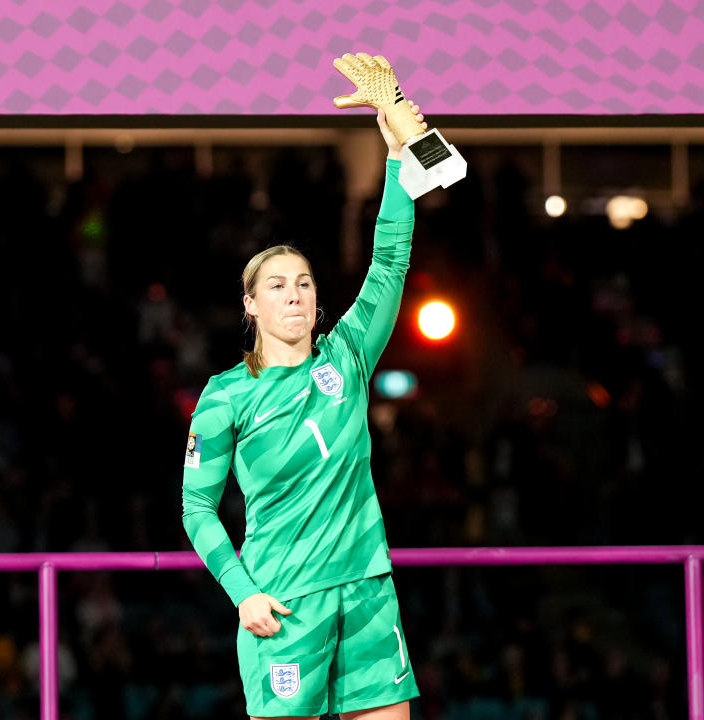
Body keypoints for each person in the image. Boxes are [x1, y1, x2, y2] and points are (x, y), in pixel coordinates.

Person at [182, 102, 427, 720]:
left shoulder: (347, 356)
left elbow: (390, 260)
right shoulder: (225, 395)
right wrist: (243, 594)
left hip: (368, 590)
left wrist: (398, 156)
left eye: (304, 283)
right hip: (283, 602)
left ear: (318, 302)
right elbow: (196, 507)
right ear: (250, 305)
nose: (293, 294)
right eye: (276, 285)